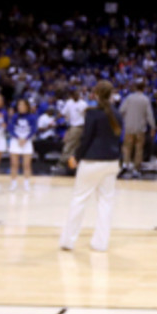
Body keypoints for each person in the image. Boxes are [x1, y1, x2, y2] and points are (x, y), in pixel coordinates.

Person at [60, 80, 122, 252]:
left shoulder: (92, 113)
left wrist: (76, 157)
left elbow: (86, 139)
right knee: (106, 202)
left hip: (92, 161)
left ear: (95, 94)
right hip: (112, 162)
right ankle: (100, 243)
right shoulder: (117, 114)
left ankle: (68, 241)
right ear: (111, 95)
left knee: (79, 199)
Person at [118, 78, 155, 177]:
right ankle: (136, 169)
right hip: (140, 128)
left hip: (129, 127)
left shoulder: (129, 98)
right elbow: (149, 115)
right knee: (139, 149)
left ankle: (125, 165)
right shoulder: (145, 99)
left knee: (127, 147)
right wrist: (153, 126)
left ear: (135, 87)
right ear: (143, 88)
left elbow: (121, 111)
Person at [8, 98, 36, 192]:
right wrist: (17, 137)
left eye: (23, 105)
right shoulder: (15, 116)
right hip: (15, 141)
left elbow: (33, 130)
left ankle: (27, 184)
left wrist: (26, 138)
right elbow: (10, 129)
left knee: (27, 164)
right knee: (14, 164)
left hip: (27, 141)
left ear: (27, 106)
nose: (20, 107)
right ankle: (13, 183)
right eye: (19, 105)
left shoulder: (32, 117)